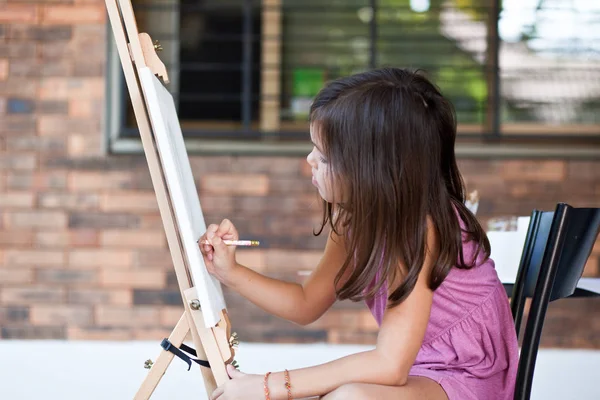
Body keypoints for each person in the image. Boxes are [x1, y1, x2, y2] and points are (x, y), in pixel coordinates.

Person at [199, 67, 519, 400]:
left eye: (323, 155)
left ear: (371, 169)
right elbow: (306, 303)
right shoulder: (355, 219)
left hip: (469, 377)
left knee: (349, 397)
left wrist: (269, 385)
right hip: (420, 369)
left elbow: (390, 366)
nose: (310, 160)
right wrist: (230, 272)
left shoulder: (420, 227)